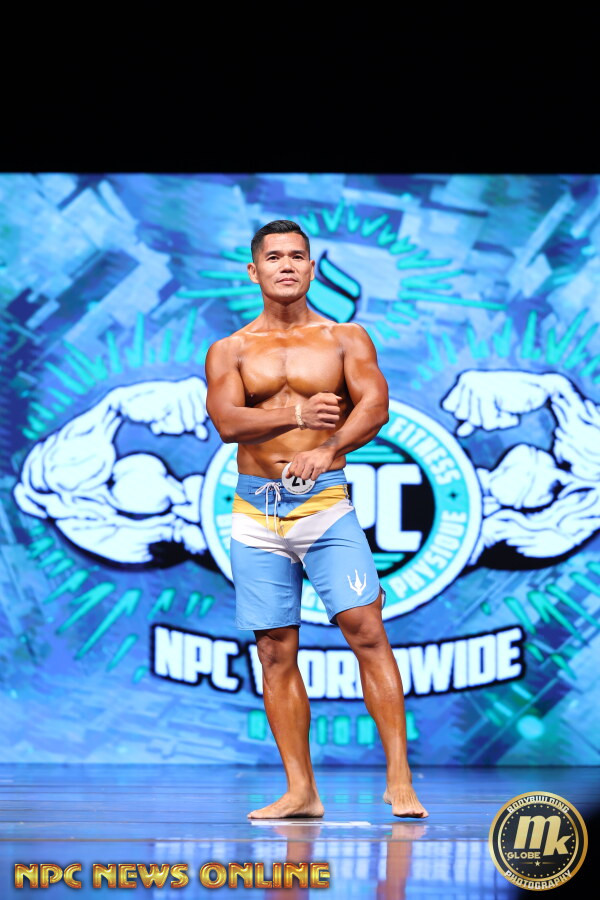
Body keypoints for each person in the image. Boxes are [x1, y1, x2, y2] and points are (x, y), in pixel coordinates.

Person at [205, 219, 427, 820]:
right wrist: (298, 414)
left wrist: (328, 448)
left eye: (297, 256)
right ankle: (300, 791)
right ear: (254, 270)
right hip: (256, 509)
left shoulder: (344, 337)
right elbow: (227, 423)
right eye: (274, 256)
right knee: (274, 651)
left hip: (325, 504)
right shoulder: (230, 350)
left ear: (311, 268)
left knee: (366, 630)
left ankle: (399, 779)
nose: (286, 265)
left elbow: (375, 406)